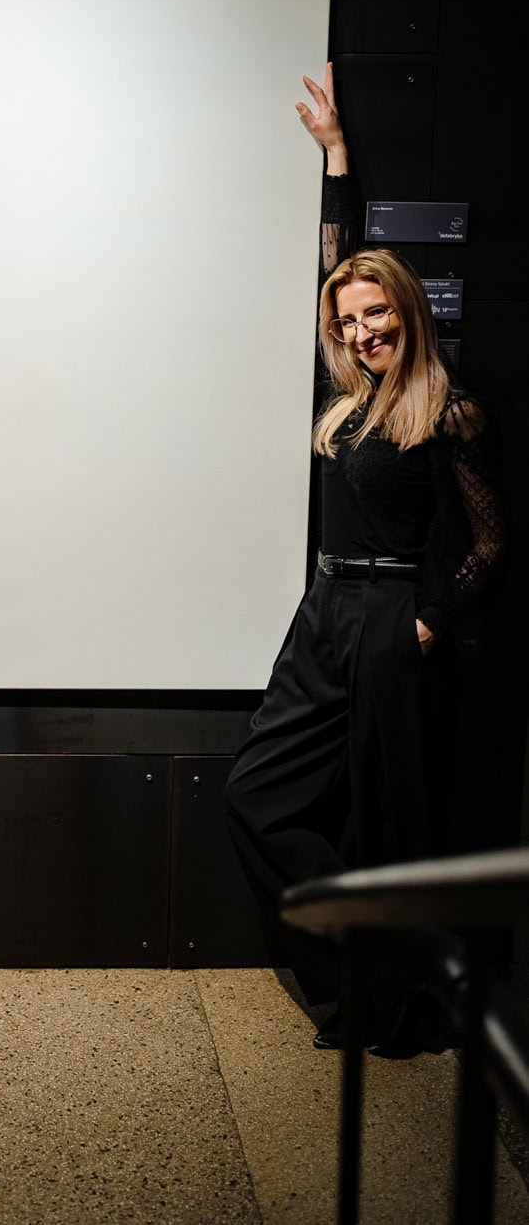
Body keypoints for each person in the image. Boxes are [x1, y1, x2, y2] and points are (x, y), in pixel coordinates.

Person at [225, 63, 507, 1054]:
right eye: (346, 321)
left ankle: (385, 1000)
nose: (360, 329)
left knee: (386, 821)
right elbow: (336, 263)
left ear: (407, 310)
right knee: (257, 795)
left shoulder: (449, 407)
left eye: (376, 313)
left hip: (392, 623)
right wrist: (336, 158)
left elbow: (489, 542)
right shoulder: (352, 401)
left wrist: (427, 624)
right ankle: (351, 944)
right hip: (323, 617)